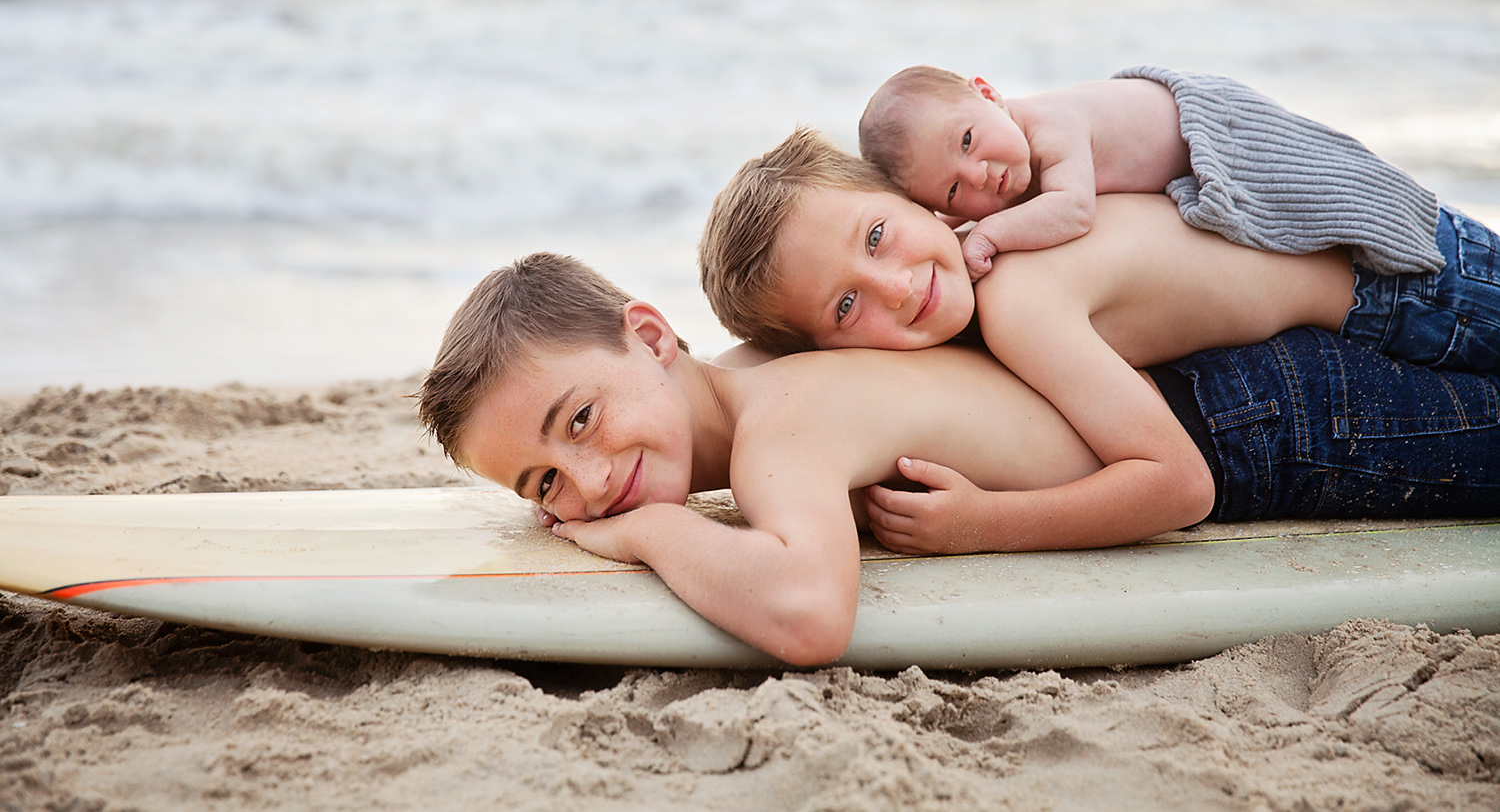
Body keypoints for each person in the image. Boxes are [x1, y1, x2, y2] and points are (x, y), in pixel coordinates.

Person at [419, 253, 1500, 666]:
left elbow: (808, 615)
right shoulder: (764, 362)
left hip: (1276, 427)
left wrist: (654, 530)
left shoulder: (774, 431)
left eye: (579, 420)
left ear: (652, 337)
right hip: (1223, 383)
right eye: (542, 485)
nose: (593, 480)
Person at [696, 129, 1500, 555]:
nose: (899, 286)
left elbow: (1180, 486)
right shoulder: (994, 243)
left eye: (877, 235)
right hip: (1366, 292)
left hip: (1405, 293)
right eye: (846, 305)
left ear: (907, 195)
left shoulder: (1018, 299)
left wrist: (985, 524)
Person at [858, 65, 1445, 287]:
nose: (981, 176)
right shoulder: (986, 174)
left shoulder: (1053, 126)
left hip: (1213, 127)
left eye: (968, 140)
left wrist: (987, 235)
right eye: (955, 187)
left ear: (987, 93)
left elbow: (1074, 210)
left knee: (1312, 188)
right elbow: (946, 213)